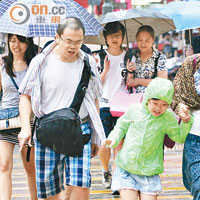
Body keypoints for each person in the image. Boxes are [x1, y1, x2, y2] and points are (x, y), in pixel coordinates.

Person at [17, 17, 105, 200]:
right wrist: (25, 127)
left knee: (81, 184)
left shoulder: (88, 62)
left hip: (79, 129)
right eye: (69, 41)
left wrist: (96, 136)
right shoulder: (40, 62)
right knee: (50, 192)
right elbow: (25, 95)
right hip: (48, 132)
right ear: (57, 37)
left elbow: (94, 99)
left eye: (79, 42)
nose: (73, 47)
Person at [105, 77, 193, 200]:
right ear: (147, 99)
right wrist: (114, 139)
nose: (158, 108)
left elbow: (179, 137)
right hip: (126, 169)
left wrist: (186, 122)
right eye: (155, 103)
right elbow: (120, 127)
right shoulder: (134, 109)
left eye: (164, 105)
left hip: (149, 172)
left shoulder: (167, 117)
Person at [0, 34, 38, 200]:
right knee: (3, 166)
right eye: (12, 40)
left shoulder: (34, 65)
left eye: (20, 41)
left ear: (28, 42)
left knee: (30, 169)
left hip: (28, 122)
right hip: (5, 121)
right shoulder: (2, 64)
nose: (16, 45)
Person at [93, 21, 127, 190]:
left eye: (118, 35)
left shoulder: (128, 56)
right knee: (105, 143)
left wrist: (132, 71)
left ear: (122, 37)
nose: (115, 38)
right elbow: (95, 84)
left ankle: (118, 178)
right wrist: (105, 70)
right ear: (105, 38)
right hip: (104, 105)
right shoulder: (98, 56)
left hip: (122, 105)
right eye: (111, 35)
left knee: (119, 143)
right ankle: (106, 171)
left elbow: (129, 82)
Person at [171, 54, 200, 200]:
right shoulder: (191, 64)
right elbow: (176, 96)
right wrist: (181, 107)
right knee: (198, 186)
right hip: (195, 138)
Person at [126, 25, 168, 93]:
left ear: (153, 40)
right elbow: (128, 83)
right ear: (136, 39)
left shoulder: (160, 57)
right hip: (133, 99)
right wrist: (130, 72)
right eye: (140, 40)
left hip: (152, 100)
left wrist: (139, 81)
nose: (143, 44)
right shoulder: (133, 55)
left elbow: (162, 82)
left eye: (147, 41)